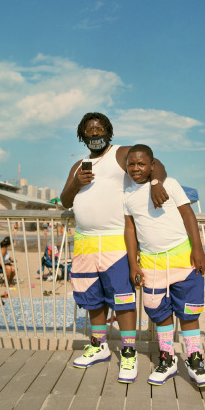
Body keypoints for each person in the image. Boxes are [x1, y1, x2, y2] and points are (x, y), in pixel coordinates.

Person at [60, 112, 169, 384]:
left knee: (122, 298)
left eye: (99, 130)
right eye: (89, 131)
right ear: (82, 136)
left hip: (115, 240)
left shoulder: (121, 153)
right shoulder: (78, 166)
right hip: (85, 241)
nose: (95, 135)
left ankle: (129, 352)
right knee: (92, 297)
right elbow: (64, 200)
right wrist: (76, 183)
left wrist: (156, 183)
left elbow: (156, 166)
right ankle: (99, 346)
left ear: (108, 131)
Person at [123, 144, 205, 387]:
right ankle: (168, 359)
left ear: (152, 166)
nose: (136, 168)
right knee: (160, 312)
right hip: (151, 264)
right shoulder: (128, 195)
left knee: (189, 311)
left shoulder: (170, 184)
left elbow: (188, 215)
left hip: (183, 259)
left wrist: (198, 249)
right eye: (131, 164)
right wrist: (133, 264)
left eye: (142, 164)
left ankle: (195, 360)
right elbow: (130, 229)